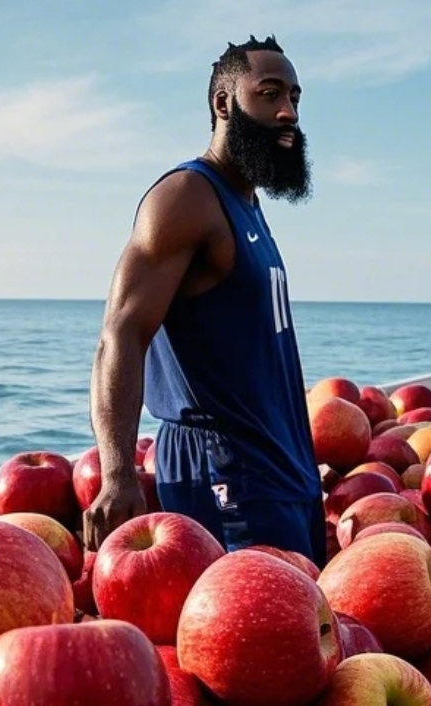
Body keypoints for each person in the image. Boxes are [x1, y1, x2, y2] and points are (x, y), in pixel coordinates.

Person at [80, 35, 326, 565]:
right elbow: (120, 333)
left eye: (295, 98)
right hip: (223, 475)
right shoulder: (187, 198)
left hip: (283, 473)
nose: (288, 111)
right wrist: (118, 472)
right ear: (223, 103)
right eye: (269, 94)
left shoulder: (247, 204)